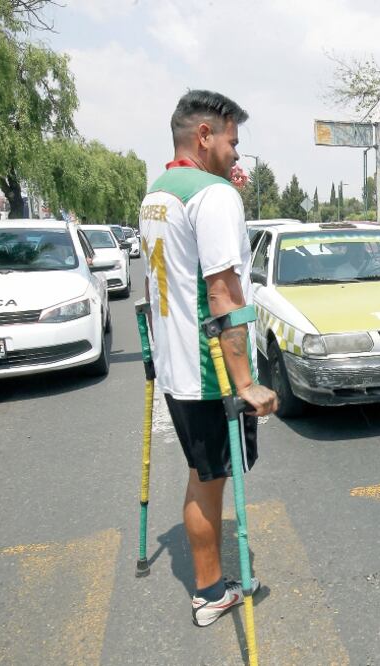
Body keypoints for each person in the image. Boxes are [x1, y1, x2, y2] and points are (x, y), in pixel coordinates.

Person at [139, 90, 279, 627]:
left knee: (202, 472)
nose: (237, 154)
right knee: (209, 477)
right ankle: (210, 592)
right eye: (232, 141)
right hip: (209, 370)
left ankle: (209, 584)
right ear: (205, 135)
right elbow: (225, 296)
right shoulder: (213, 197)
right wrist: (245, 382)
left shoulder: (161, 190)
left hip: (177, 365)